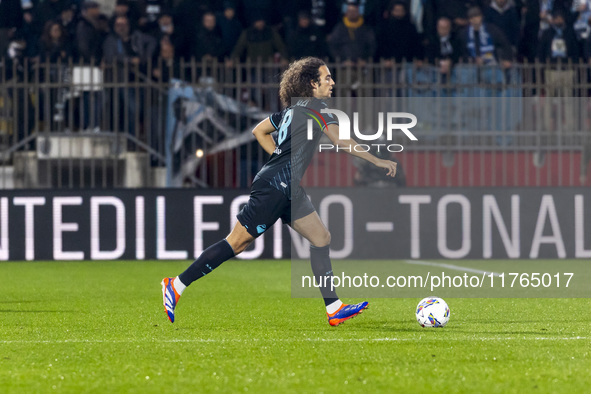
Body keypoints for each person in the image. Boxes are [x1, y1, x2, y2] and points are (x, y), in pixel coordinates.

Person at [161, 57, 398, 326]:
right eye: (327, 77)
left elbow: (259, 131)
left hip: (287, 186)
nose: (332, 82)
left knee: (321, 237)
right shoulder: (320, 110)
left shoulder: (292, 110)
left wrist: (279, 157)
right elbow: (341, 142)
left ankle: (333, 307)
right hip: (275, 186)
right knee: (237, 242)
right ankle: (176, 284)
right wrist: (378, 160)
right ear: (312, 83)